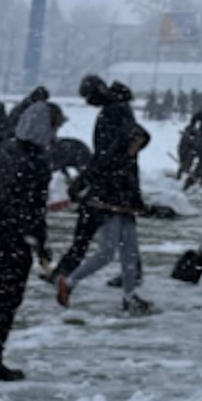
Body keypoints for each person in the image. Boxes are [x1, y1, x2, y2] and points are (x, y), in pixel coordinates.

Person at [56, 125, 154, 314]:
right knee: (107, 252)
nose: (136, 148)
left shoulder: (131, 161)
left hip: (125, 211)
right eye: (134, 143)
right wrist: (77, 194)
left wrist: (138, 205)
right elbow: (86, 178)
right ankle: (68, 282)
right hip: (104, 210)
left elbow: (133, 187)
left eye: (140, 145)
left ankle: (129, 296)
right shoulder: (107, 158)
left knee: (130, 253)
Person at [0, 103, 57, 381]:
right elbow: (33, 209)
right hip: (13, 237)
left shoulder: (8, 150)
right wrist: (41, 246)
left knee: (4, 296)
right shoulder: (36, 160)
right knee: (8, 297)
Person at [52, 76, 136, 285]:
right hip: (120, 183)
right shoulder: (120, 108)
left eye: (88, 96)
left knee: (98, 241)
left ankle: (67, 277)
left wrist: (83, 181)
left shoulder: (112, 113)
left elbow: (106, 155)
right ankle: (131, 291)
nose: (88, 102)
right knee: (127, 243)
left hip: (110, 186)